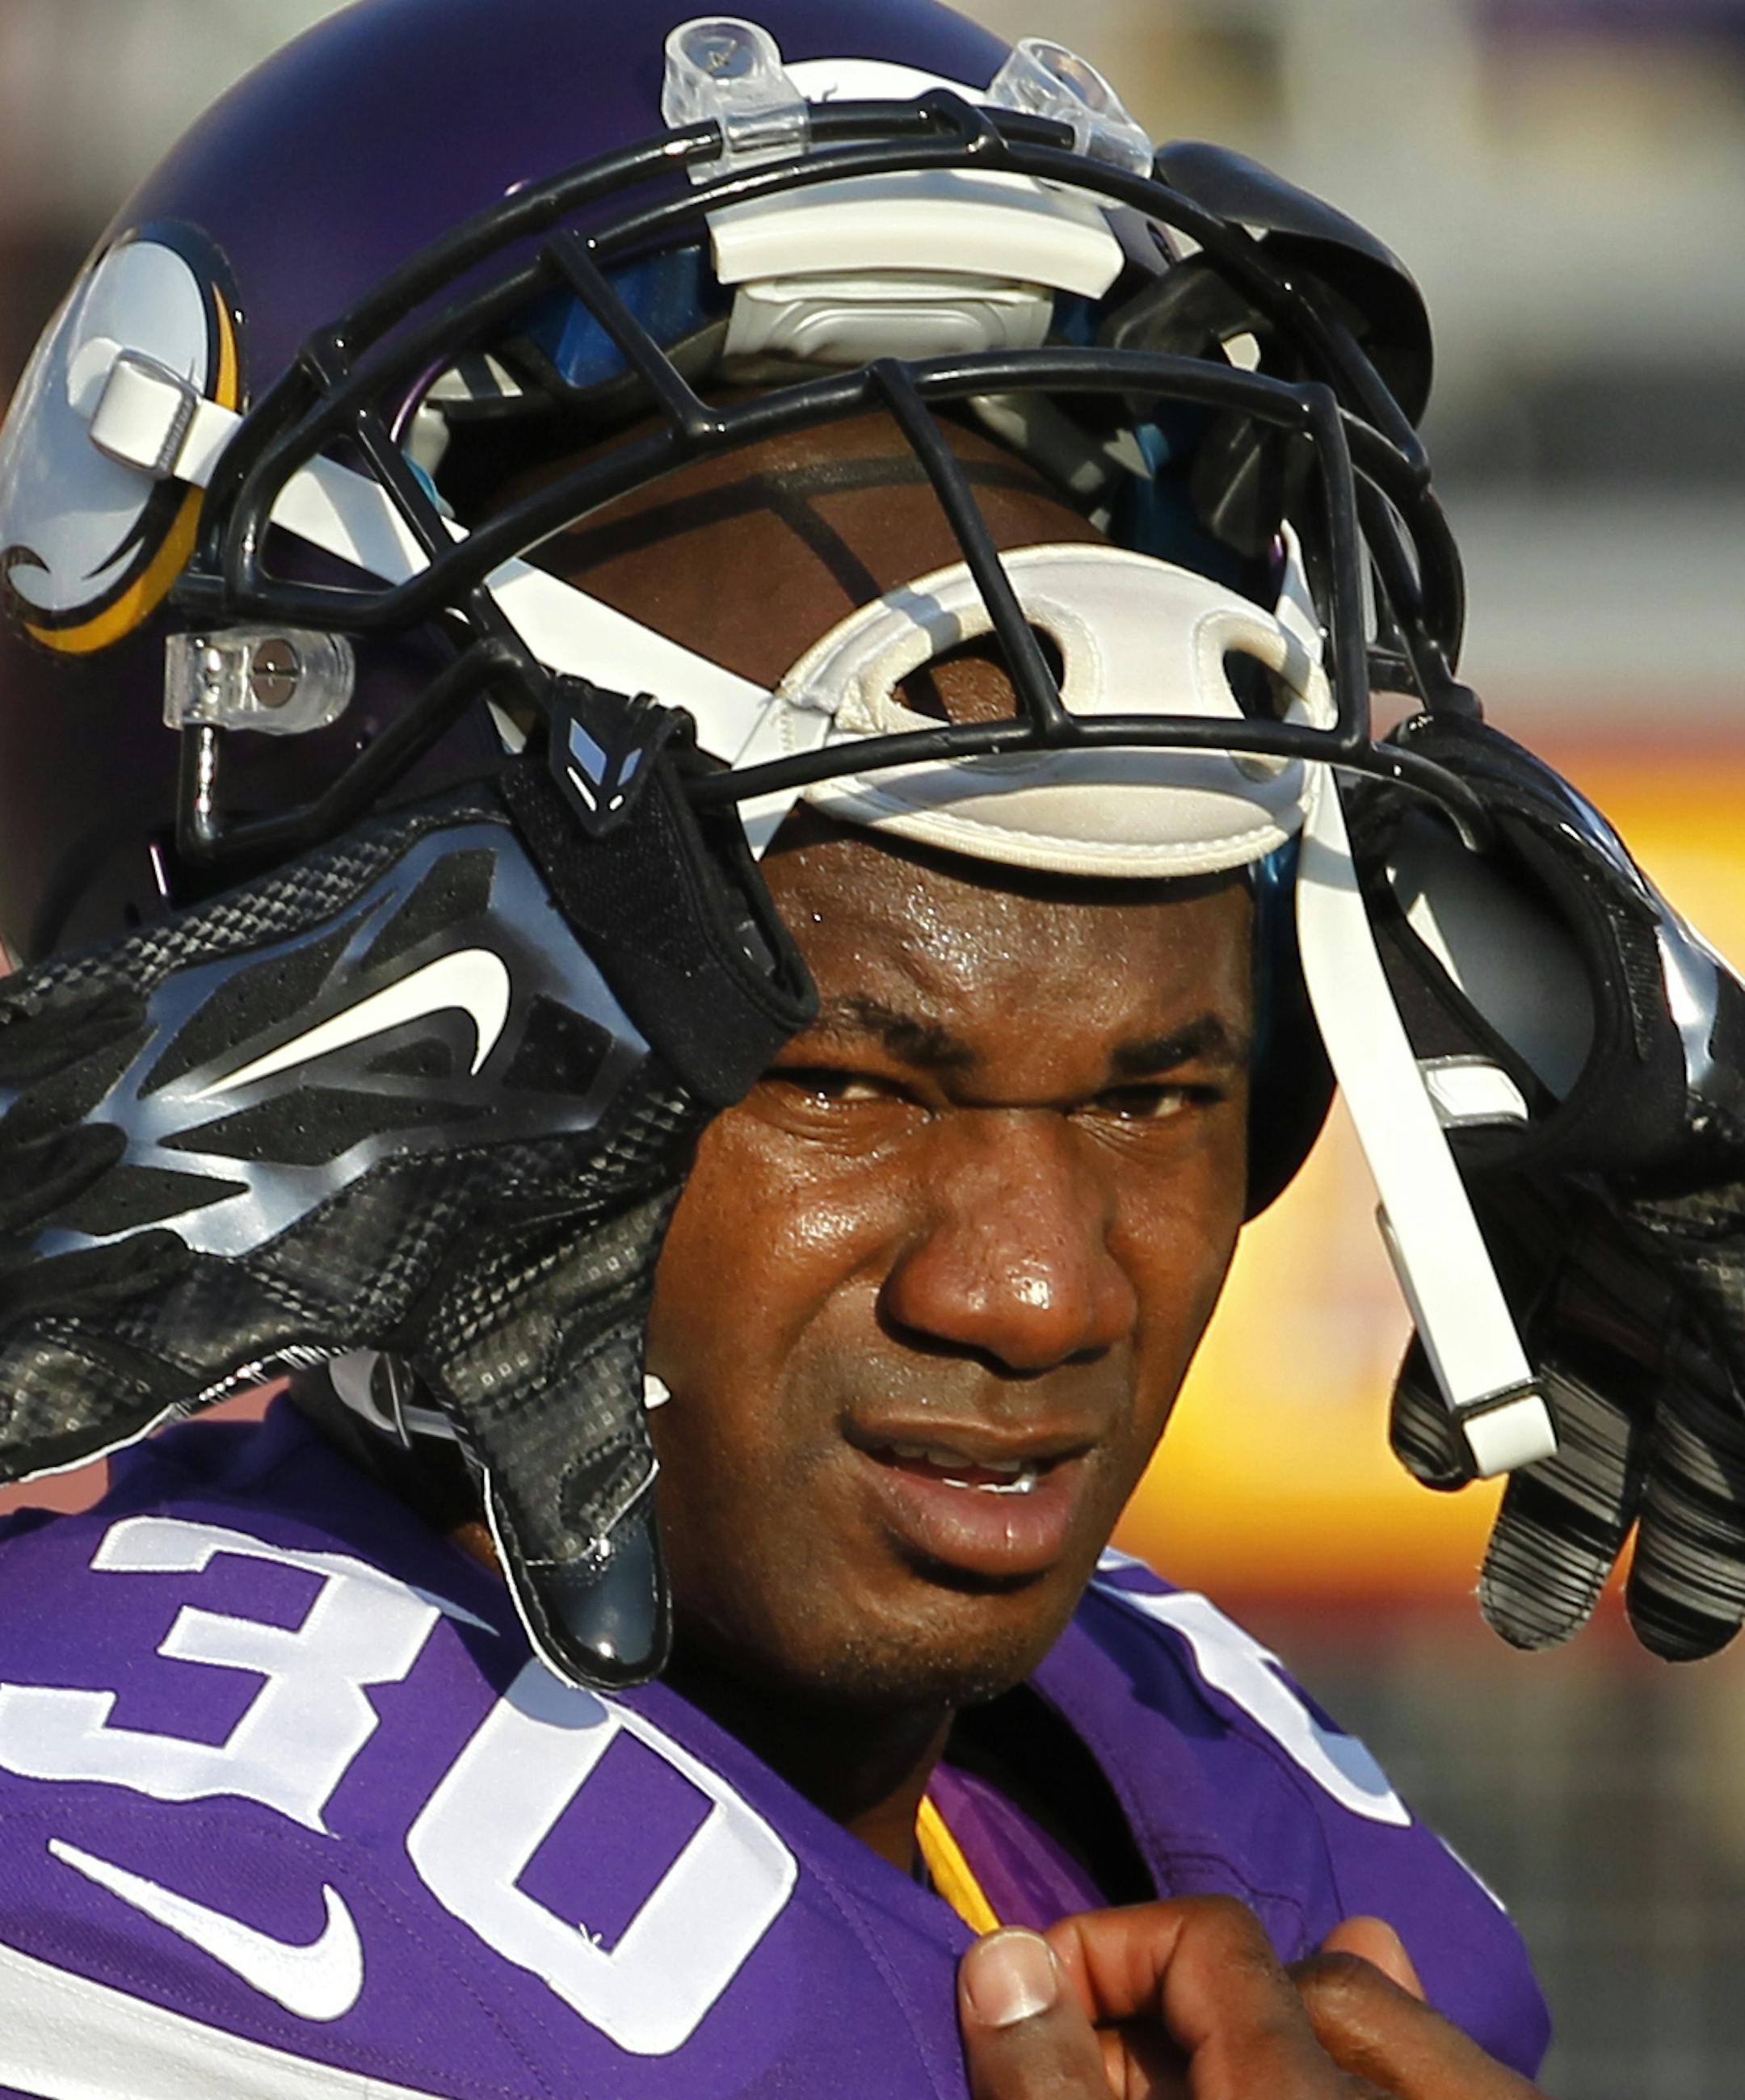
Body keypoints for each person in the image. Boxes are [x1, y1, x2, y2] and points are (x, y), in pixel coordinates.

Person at [2, 2, 1743, 2094]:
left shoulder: (1249, 1838)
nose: (1033, 1289)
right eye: (843, 1080)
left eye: (1154, 1094)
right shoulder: (140, 1870)